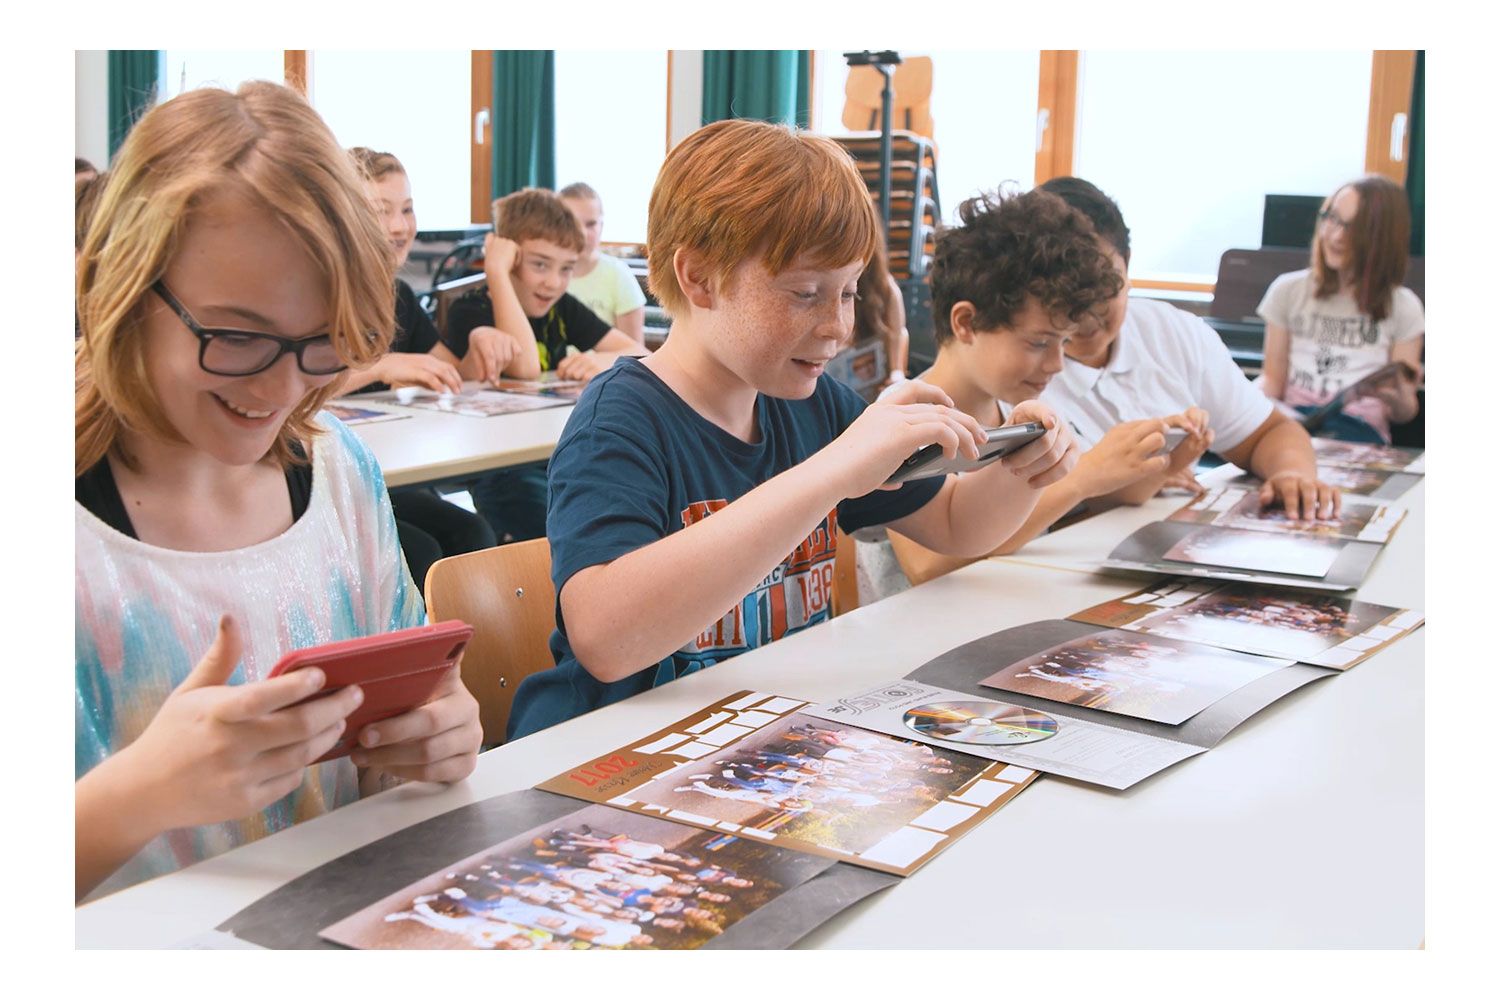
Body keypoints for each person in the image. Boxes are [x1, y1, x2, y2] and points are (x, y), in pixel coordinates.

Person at [504, 118, 1077, 741]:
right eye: (805, 292)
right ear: (698, 278)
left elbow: (956, 525)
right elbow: (605, 640)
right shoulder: (619, 422)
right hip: (610, 752)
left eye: (850, 292)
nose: (837, 326)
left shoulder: (810, 402)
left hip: (764, 740)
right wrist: (833, 471)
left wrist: (1024, 469)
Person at [73, 82, 482, 902]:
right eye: (237, 336)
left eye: (325, 344)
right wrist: (140, 793)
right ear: (123, 288)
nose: (282, 387)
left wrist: (443, 733)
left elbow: (413, 709)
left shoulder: (337, 472)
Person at [877, 186, 1182, 590]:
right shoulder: (903, 420)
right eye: (1039, 342)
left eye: (1064, 341)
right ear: (965, 323)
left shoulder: (1018, 416)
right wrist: (1080, 478)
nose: (1057, 364)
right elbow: (929, 563)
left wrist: (1154, 465)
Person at [1037, 176, 1339, 520]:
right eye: (1068, 290)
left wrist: (1292, 475)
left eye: (1105, 285)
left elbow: (1269, 432)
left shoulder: (1171, 331)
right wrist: (1144, 478)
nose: (1087, 311)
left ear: (1128, 263)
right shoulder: (1018, 367)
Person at [445, 188, 648, 541]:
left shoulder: (562, 308)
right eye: (540, 265)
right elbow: (525, 367)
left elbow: (639, 352)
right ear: (509, 257)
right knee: (561, 530)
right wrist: (496, 271)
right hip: (503, 471)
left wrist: (598, 359)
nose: (553, 282)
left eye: (566, 268)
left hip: (557, 458)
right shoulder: (472, 307)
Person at [341, 146, 496, 584]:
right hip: (333, 484)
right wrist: (381, 366)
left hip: (385, 474)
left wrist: (478, 340)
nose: (399, 226)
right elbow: (301, 384)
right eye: (381, 210)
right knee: (424, 550)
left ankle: (477, 654)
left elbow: (445, 371)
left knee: (473, 532)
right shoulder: (321, 290)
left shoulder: (399, 295)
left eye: (407, 209)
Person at [1257, 175, 1424, 444]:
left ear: (1381, 238)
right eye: (1332, 218)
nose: (1335, 236)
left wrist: (1401, 397)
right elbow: (1272, 382)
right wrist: (1241, 400)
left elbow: (1404, 414)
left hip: (1359, 435)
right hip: (1293, 426)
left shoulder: (1404, 306)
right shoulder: (1287, 290)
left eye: (1353, 228)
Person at [559, 182, 648, 344]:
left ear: (602, 226)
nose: (582, 233)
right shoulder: (543, 277)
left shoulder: (618, 275)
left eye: (591, 224)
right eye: (571, 223)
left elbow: (635, 355)